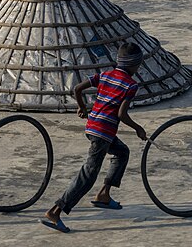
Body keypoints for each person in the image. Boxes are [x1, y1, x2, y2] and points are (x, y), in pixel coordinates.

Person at [42, 43, 148, 233]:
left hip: (92, 127)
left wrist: (82, 107)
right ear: (134, 65)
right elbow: (121, 114)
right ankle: (56, 210)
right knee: (88, 174)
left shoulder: (106, 75)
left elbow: (77, 89)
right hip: (103, 133)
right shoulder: (131, 85)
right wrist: (138, 128)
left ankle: (104, 195)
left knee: (122, 152)